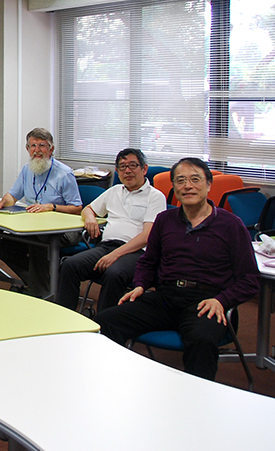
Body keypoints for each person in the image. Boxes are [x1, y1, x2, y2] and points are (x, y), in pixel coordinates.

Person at [96, 157, 260, 380]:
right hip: (166, 297)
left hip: (207, 301)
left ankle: (196, 402)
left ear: (208, 184)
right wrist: (141, 284)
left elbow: (249, 279)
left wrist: (222, 300)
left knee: (201, 341)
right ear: (173, 186)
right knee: (106, 321)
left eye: (195, 179)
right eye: (180, 180)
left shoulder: (231, 225)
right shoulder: (165, 220)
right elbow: (148, 261)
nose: (188, 186)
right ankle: (110, 383)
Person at [54, 148, 166, 312]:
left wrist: (115, 254)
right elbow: (88, 209)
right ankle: (65, 319)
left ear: (144, 169)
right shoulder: (114, 191)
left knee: (114, 273)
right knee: (70, 265)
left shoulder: (155, 196)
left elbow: (147, 236)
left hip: (138, 252)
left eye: (132, 165)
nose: (127, 170)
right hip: (106, 246)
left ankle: (104, 326)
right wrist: (91, 218)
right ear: (117, 172)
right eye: (122, 167)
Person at [0, 128, 82, 297]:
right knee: (3, 245)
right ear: (27, 149)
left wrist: (52, 207)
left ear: (51, 149)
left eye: (42, 145)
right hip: (34, 226)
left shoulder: (64, 174)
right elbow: (13, 196)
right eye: (33, 146)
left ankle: (39, 293)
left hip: (65, 229)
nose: (37, 150)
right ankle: (43, 285)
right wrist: (2, 202)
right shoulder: (27, 169)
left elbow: (77, 209)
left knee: (37, 240)